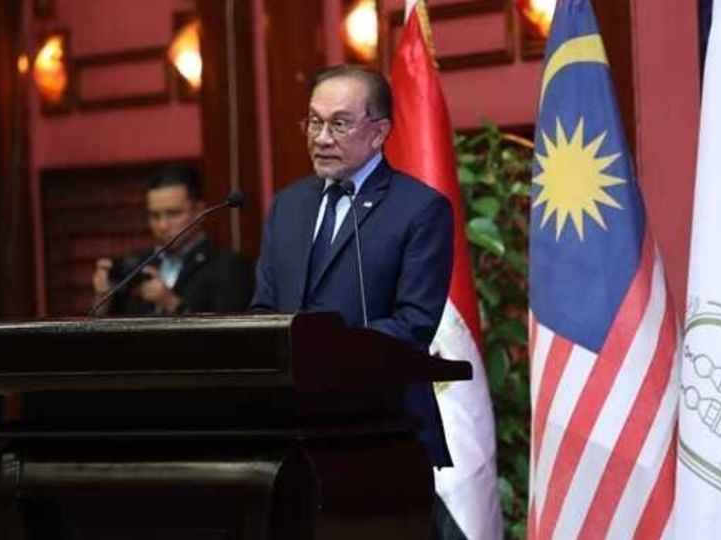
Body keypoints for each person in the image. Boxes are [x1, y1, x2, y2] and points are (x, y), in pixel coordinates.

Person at [249, 65, 461, 537]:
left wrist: (322, 351)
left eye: (339, 124)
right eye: (314, 122)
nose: (321, 138)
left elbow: (414, 324)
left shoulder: (418, 208)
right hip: (291, 437)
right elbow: (263, 309)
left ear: (379, 132)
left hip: (381, 430)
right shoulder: (288, 206)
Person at [92, 165, 253, 315]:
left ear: (199, 210)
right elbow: (104, 331)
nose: (162, 225)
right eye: (155, 215)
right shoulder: (137, 264)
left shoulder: (229, 266)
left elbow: (230, 332)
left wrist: (171, 303)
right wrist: (102, 299)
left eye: (173, 213)